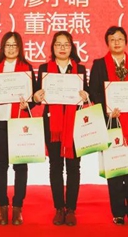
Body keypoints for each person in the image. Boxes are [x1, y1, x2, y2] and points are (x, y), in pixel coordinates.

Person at [89, 26, 128, 226]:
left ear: (126, 42)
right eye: (112, 39)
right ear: (107, 43)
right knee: (114, 168)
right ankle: (117, 212)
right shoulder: (99, 65)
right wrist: (107, 109)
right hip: (111, 123)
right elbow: (94, 91)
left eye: (120, 39)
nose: (116, 42)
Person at [32, 31, 89, 226]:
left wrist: (86, 96)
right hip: (52, 124)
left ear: (72, 47)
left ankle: (71, 208)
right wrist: (36, 97)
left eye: (66, 44)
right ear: (53, 47)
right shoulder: (44, 69)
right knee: (55, 165)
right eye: (58, 44)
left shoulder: (80, 69)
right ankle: (59, 208)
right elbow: (37, 95)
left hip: (75, 124)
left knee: (74, 166)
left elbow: (88, 95)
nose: (62, 48)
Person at [0, 31, 37, 226]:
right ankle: (2, 206)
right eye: (8, 45)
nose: (11, 49)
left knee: (20, 165)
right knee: (0, 165)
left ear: (20, 47)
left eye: (14, 45)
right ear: (2, 47)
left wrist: (28, 103)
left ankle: (18, 207)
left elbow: (34, 98)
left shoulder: (27, 68)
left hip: (19, 123)